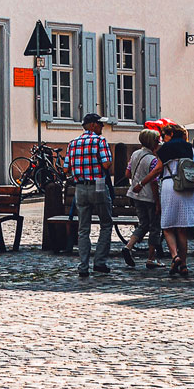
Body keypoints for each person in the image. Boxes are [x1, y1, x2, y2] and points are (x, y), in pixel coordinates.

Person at [143, 124, 194, 277]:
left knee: (167, 226)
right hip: (187, 186)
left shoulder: (165, 149)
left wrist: (141, 183)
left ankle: (175, 256)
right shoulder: (189, 147)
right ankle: (184, 266)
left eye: (164, 135)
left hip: (170, 185)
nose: (163, 139)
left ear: (171, 134)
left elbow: (158, 169)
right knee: (182, 228)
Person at [65, 112, 113, 278]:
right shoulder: (100, 141)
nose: (102, 127)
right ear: (92, 125)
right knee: (106, 224)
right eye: (100, 124)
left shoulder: (73, 143)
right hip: (98, 185)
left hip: (80, 188)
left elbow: (65, 169)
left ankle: (83, 266)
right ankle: (99, 262)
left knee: (83, 228)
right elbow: (106, 163)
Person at [125, 128, 163, 270]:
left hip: (135, 195)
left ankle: (128, 246)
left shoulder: (135, 154)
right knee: (154, 227)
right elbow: (154, 182)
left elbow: (127, 173)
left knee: (143, 224)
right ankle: (151, 258)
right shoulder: (153, 160)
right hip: (149, 197)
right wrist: (158, 202)